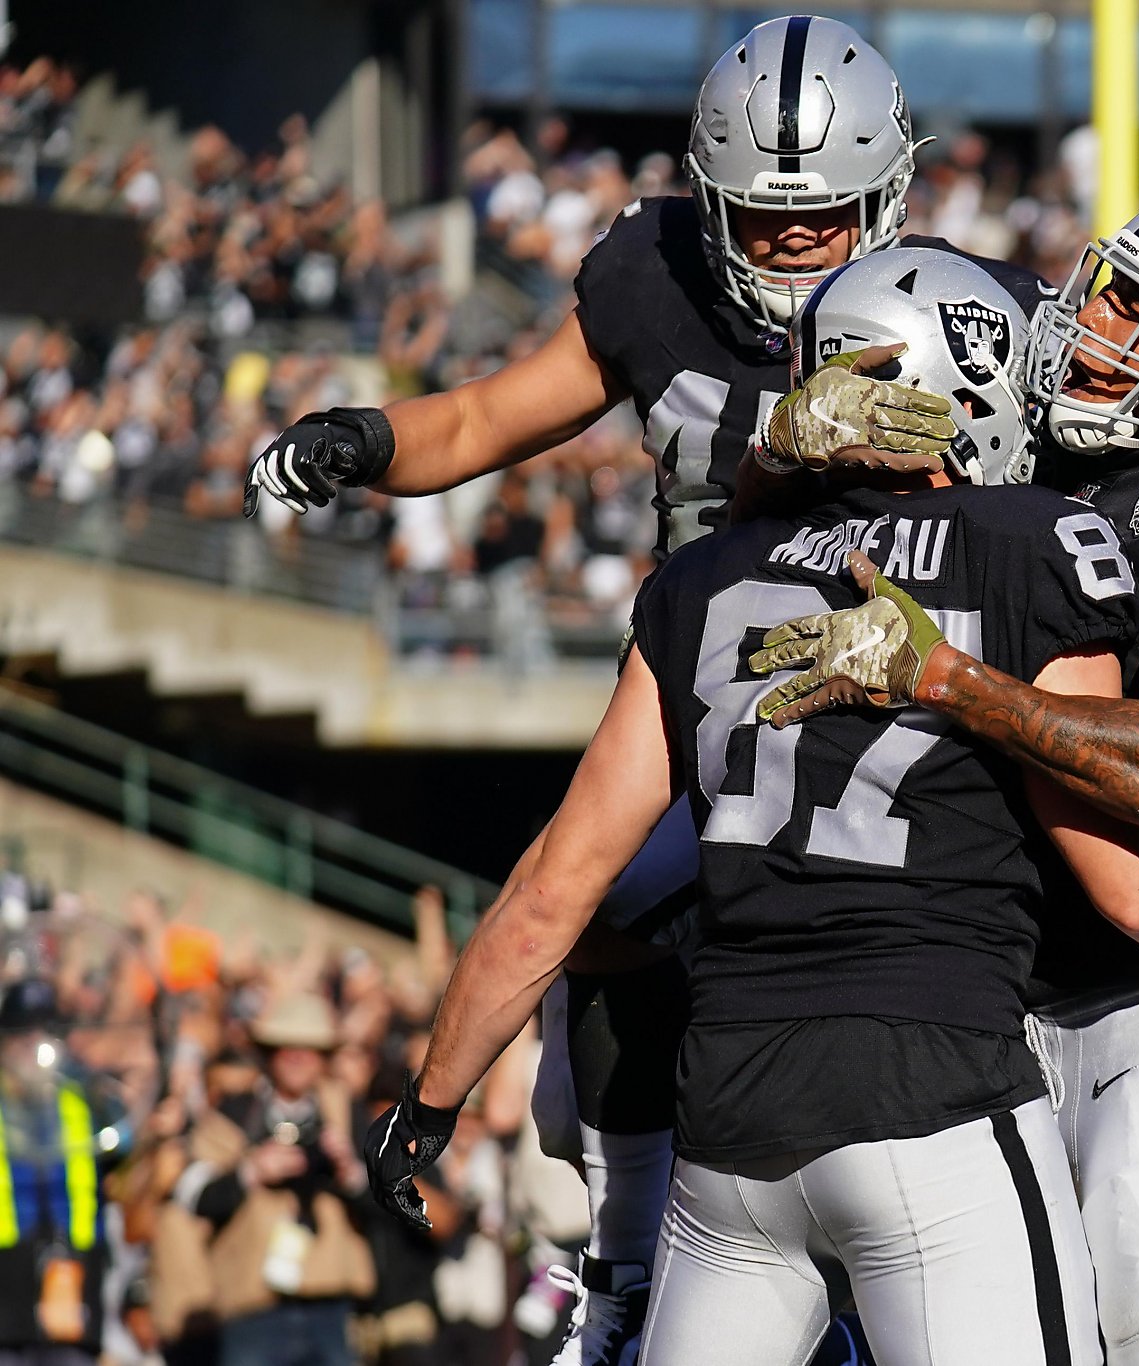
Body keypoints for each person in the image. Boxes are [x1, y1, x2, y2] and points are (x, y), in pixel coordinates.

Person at [361, 251, 1139, 1365]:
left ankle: (613, 1281)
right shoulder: (1032, 544)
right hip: (934, 1095)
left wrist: (427, 1106)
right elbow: (1125, 877)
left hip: (728, 1131)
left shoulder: (705, 577)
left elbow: (552, 895)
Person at [248, 19, 1052, 1363]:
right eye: (767, 217)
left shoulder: (964, 314)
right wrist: (370, 438)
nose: (796, 244)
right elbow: (492, 416)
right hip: (706, 685)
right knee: (604, 910)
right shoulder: (653, 275)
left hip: (899, 697)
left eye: (825, 218)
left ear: (891, 195)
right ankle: (625, 1266)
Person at [761, 188, 1139, 1366]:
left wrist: (947, 680)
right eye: (1105, 295)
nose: (1093, 331)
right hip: (1000, 1010)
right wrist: (779, 446)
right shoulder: (1056, 465)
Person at [173, 993, 372, 1366]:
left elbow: (387, 1207)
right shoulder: (233, 1112)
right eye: (286, 1048)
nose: (297, 1058)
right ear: (268, 1052)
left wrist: (349, 1172)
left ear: (326, 1058)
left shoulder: (347, 1113)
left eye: (310, 1049)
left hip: (329, 1307)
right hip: (251, 1308)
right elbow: (192, 1197)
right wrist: (252, 1171)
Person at [0, 978, 108, 1366]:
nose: (34, 1044)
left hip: (72, 1299)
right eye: (21, 1032)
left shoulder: (85, 1104)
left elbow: (125, 1158)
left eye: (46, 1032)